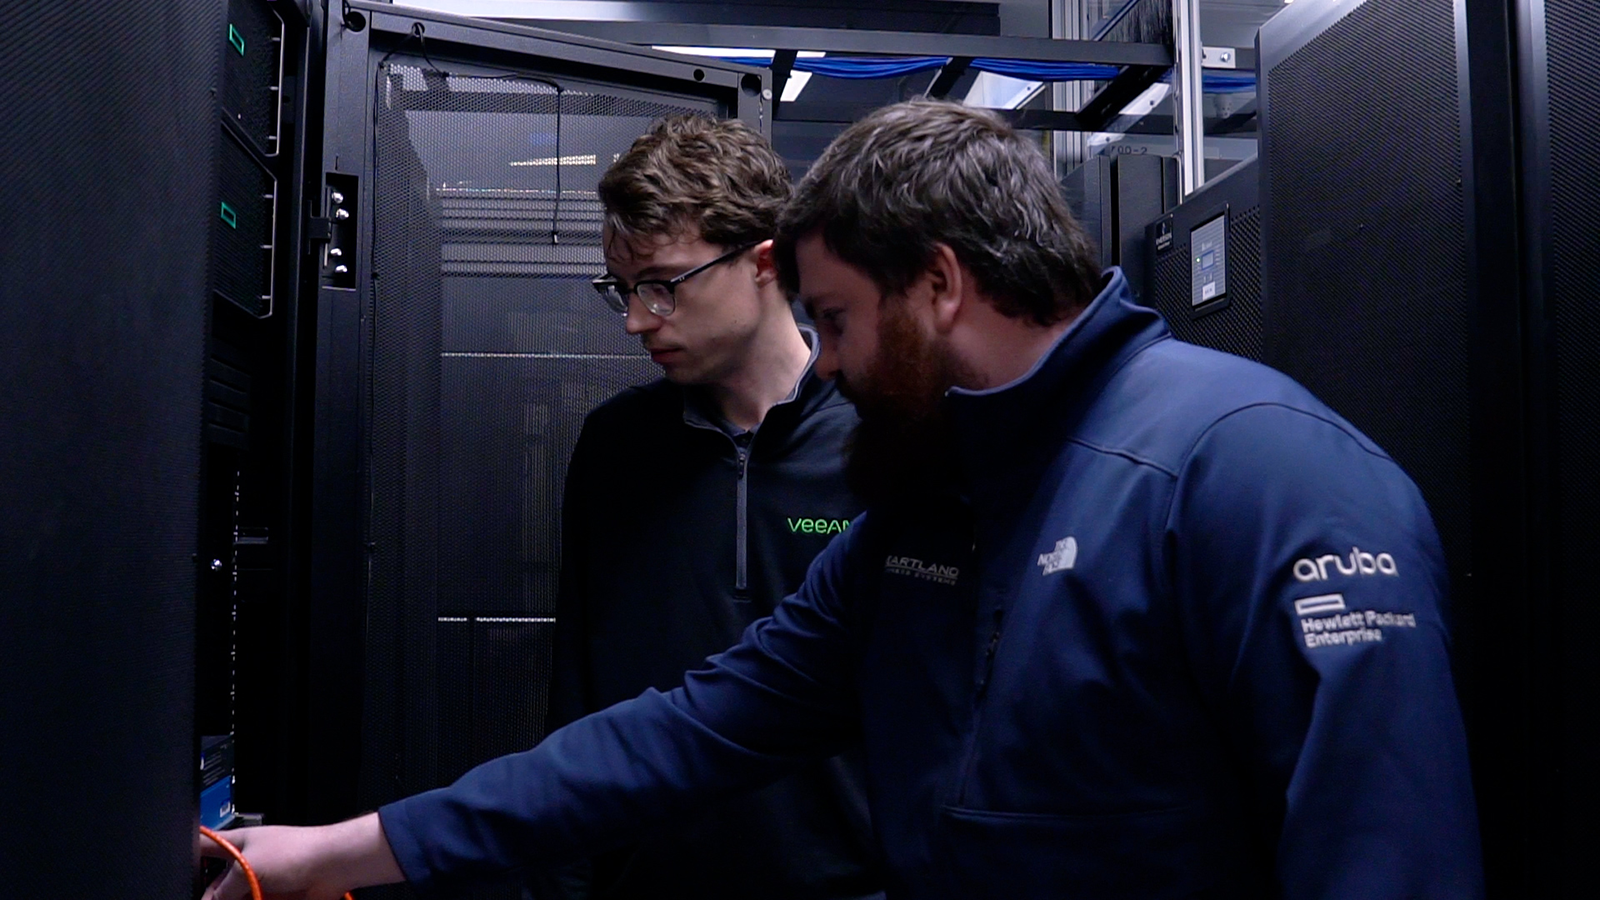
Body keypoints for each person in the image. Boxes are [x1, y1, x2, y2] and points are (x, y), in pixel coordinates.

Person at [201, 100, 1483, 900]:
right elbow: (683, 733)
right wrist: (337, 850)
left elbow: (1386, 863)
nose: (836, 362)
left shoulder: (1261, 475)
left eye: (836, 320)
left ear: (937, 286)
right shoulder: (930, 514)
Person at [540, 115, 877, 899]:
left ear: (764, 263)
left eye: (662, 284)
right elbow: (579, 691)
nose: (635, 320)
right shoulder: (616, 448)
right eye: (622, 290)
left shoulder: (879, 439)